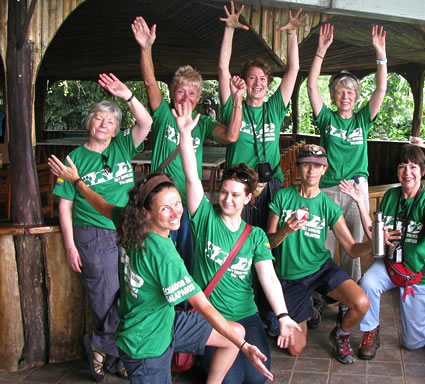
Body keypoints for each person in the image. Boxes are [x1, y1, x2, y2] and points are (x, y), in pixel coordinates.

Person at [48, 158, 274, 384]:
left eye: (177, 203)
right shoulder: (165, 257)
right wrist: (245, 347)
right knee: (236, 339)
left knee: (234, 333)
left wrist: (77, 181)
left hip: (164, 321)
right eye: (165, 208)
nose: (176, 213)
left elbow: (100, 204)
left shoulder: (129, 221)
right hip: (146, 345)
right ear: (147, 212)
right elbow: (202, 304)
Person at [175, 101, 300, 383]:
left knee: (256, 378)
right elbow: (192, 178)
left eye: (236, 195)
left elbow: (268, 278)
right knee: (231, 380)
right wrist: (185, 136)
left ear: (247, 199)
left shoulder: (255, 235)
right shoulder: (205, 217)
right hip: (211, 317)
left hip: (247, 316)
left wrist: (282, 316)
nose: (228, 199)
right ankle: (202, 357)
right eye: (224, 192)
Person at [51, 73, 152, 381]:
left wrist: (128, 96)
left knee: (132, 291)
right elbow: (65, 204)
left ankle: (100, 346)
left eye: (110, 122)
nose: (104, 125)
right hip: (92, 234)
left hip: (127, 230)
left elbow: (146, 123)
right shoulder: (74, 159)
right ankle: (114, 358)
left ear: (116, 129)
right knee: (104, 297)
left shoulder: (122, 147)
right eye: (99, 119)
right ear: (89, 122)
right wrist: (70, 244)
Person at [266, 143, 398, 364]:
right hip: (290, 277)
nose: (311, 171)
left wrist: (376, 243)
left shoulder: (328, 206)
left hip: (320, 269)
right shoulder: (282, 197)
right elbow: (267, 243)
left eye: (317, 166)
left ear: (324, 169)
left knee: (361, 302)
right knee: (296, 349)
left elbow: (352, 249)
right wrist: (286, 230)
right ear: (299, 166)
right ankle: (308, 310)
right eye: (307, 164)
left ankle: (340, 333)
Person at [132, 16, 245, 273]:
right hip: (160, 203)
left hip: (189, 204)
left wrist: (238, 99)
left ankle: (187, 308)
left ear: (198, 97)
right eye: (181, 91)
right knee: (160, 258)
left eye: (192, 93)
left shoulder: (202, 122)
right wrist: (146, 47)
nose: (186, 97)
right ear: (173, 93)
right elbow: (150, 83)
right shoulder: (162, 114)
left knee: (187, 257)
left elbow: (231, 136)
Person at [339, 144, 425, 360]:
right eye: (402, 167)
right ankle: (371, 331)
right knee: (369, 281)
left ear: (422, 171)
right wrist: (360, 203)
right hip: (391, 266)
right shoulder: (391, 196)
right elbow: (375, 235)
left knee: (414, 343)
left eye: (413, 167)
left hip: (419, 273)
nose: (407, 172)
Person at [307, 23, 388, 283]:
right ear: (333, 95)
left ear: (356, 96)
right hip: (328, 189)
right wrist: (320, 52)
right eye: (340, 91)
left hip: (355, 190)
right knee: (325, 247)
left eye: (350, 92)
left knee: (353, 248)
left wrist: (380, 55)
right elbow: (311, 88)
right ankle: (325, 293)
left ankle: (348, 298)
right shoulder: (327, 119)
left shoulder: (363, 119)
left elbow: (381, 90)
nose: (345, 96)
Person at [218, 1, 306, 229]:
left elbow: (293, 70)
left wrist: (292, 34)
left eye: (263, 79)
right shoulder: (233, 105)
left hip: (270, 183)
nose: (258, 83)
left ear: (268, 84)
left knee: (269, 239)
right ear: (245, 82)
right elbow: (222, 69)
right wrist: (229, 30)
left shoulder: (274, 108)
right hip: (239, 183)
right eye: (252, 78)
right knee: (238, 236)